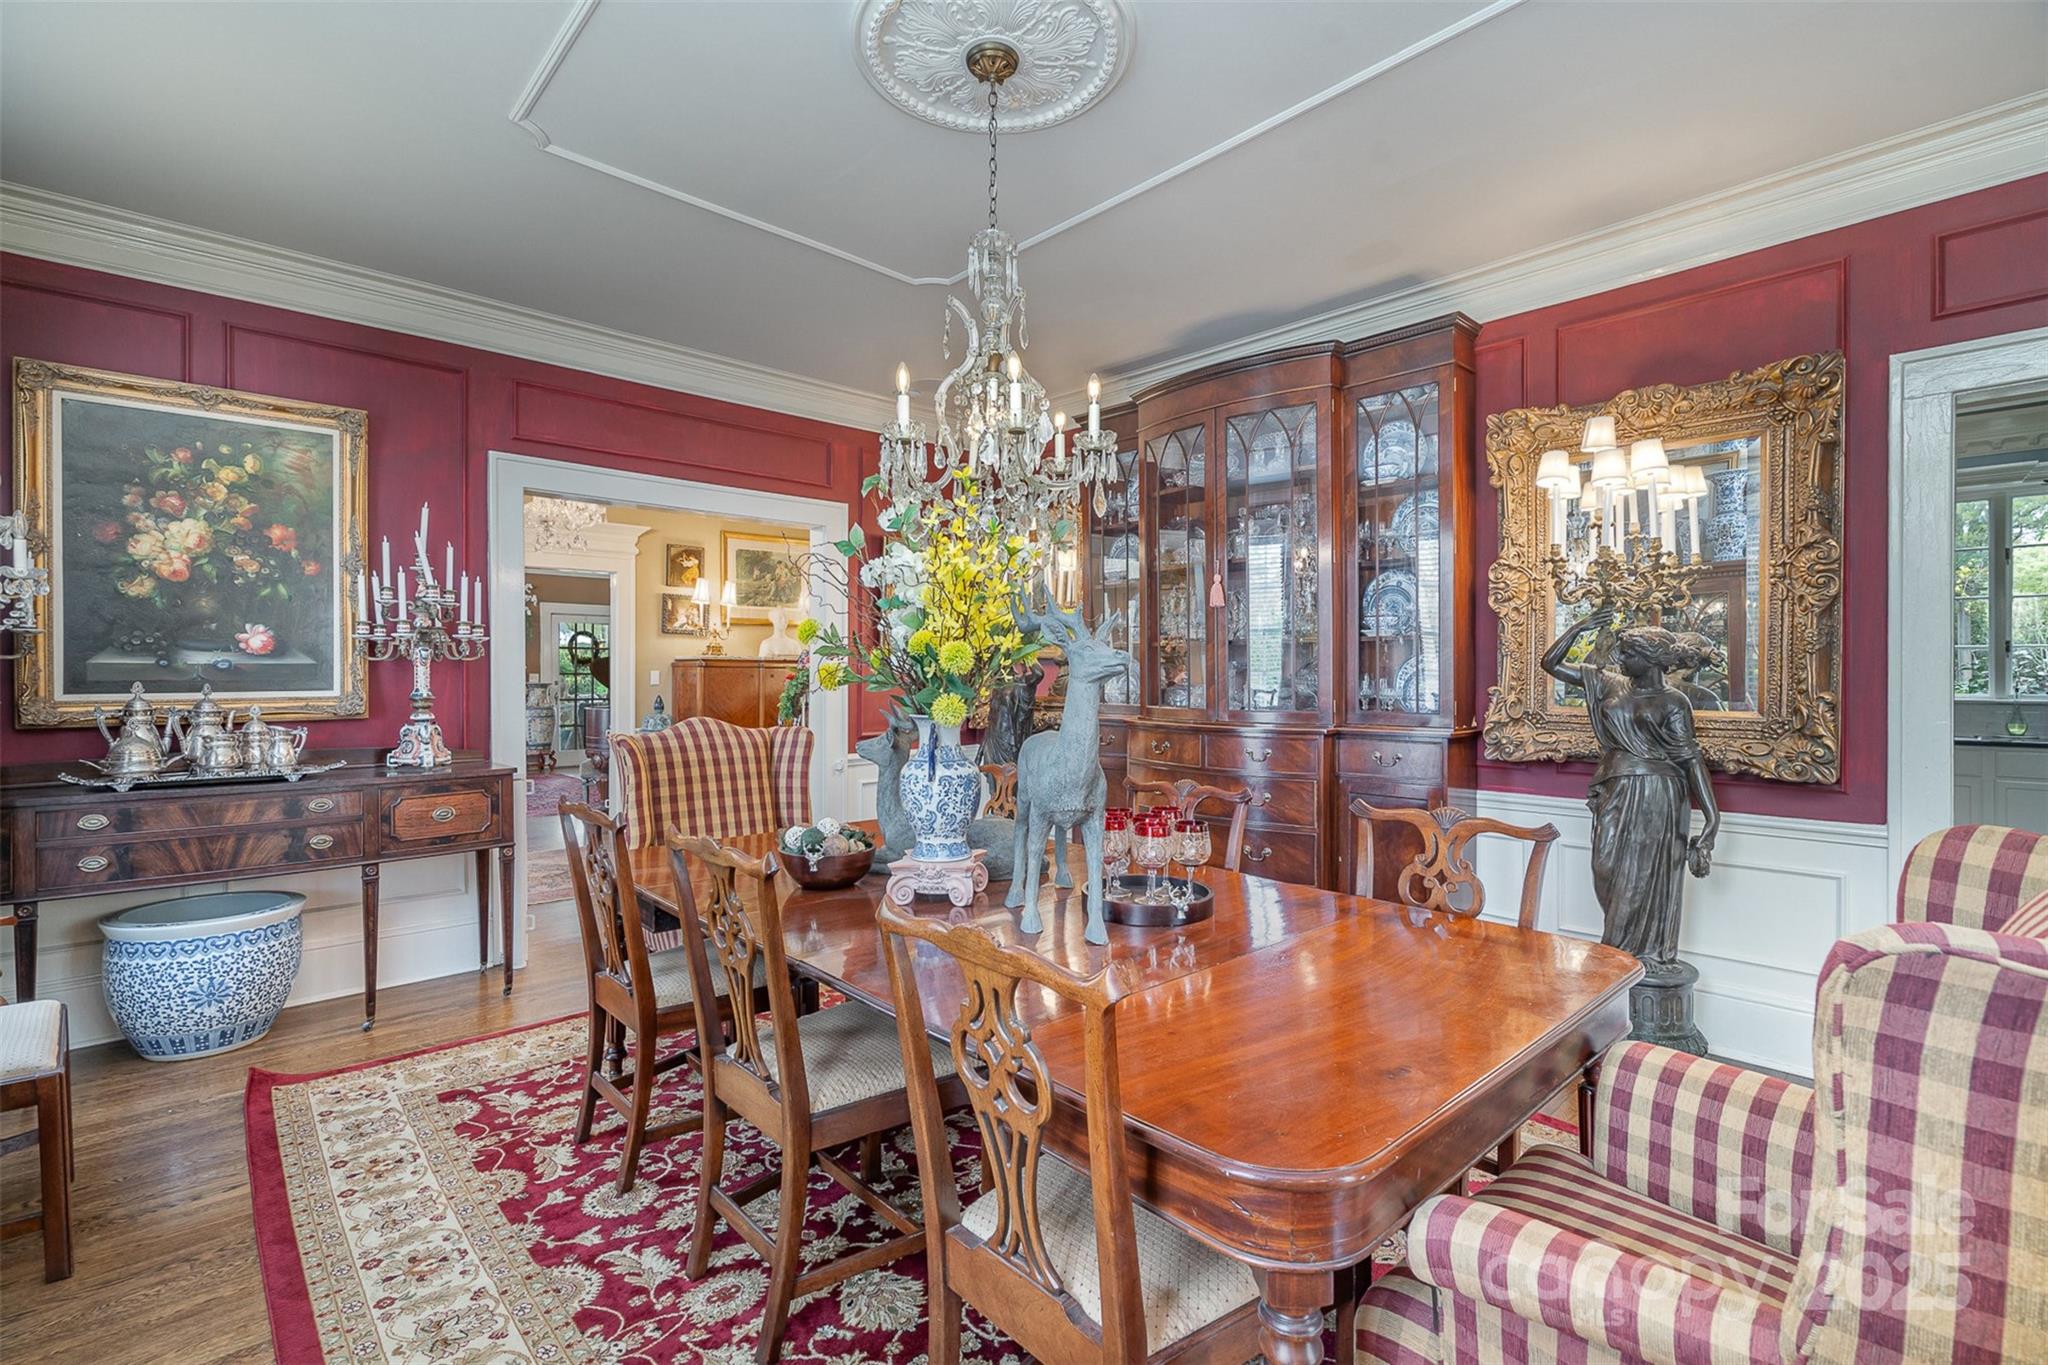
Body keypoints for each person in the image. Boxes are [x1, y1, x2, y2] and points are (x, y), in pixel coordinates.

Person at [1541, 606, 1719, 971]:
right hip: (1615, 792)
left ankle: (1641, 958)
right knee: (1606, 868)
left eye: (1629, 653)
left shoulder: (1674, 702)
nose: (1620, 657)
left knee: (1645, 877)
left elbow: (1690, 760)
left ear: (1651, 659)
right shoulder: (1609, 683)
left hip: (1658, 795)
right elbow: (1551, 663)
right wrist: (1580, 626)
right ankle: (1619, 952)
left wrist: (1713, 823)